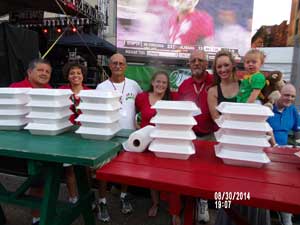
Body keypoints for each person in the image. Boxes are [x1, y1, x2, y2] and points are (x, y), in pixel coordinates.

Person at [95, 53, 142, 222]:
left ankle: (123, 196)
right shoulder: (101, 87)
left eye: (121, 63)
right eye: (114, 63)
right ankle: (102, 201)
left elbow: (141, 105)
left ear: (126, 66)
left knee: (126, 169)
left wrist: (139, 122)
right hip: (108, 136)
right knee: (103, 171)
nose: (117, 66)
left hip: (128, 136)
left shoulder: (134, 85)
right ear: (109, 66)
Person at [10, 58, 52, 225]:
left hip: (44, 144)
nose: (44, 74)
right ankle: (37, 216)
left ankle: (39, 215)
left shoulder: (50, 90)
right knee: (38, 179)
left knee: (43, 180)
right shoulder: (15, 89)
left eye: (47, 72)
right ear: (29, 72)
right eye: (40, 70)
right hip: (18, 145)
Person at [177, 50, 216, 223]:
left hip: (211, 135)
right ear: (189, 64)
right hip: (189, 136)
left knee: (207, 174)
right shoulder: (184, 85)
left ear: (207, 63)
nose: (197, 63)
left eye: (200, 60)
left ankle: (203, 203)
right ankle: (189, 202)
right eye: (193, 60)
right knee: (188, 172)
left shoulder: (215, 82)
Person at [135, 71, 179, 223]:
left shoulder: (172, 98)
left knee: (172, 177)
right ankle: (155, 203)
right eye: (158, 82)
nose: (160, 85)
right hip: (147, 145)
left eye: (164, 83)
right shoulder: (141, 97)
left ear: (167, 86)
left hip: (166, 144)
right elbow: (136, 115)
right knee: (151, 176)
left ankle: (174, 211)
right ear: (152, 82)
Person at [59, 62, 91, 205]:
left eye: (78, 73)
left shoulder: (91, 93)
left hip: (86, 134)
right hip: (67, 135)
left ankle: (88, 197)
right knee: (69, 169)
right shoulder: (61, 91)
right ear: (67, 76)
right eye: (72, 73)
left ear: (83, 76)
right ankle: (73, 197)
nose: (75, 76)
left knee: (86, 169)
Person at [268, 83, 299, 225]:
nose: (290, 98)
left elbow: (298, 130)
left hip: (284, 153)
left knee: (289, 184)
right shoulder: (268, 108)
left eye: (293, 96)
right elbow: (264, 130)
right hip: (267, 151)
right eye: (286, 95)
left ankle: (286, 217)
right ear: (279, 93)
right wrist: (275, 145)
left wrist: (298, 146)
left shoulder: (292, 110)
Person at [207, 50, 240, 121]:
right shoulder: (213, 91)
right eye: (219, 67)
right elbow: (216, 118)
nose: (223, 69)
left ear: (233, 65)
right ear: (215, 69)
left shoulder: (244, 85)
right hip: (224, 131)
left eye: (226, 65)